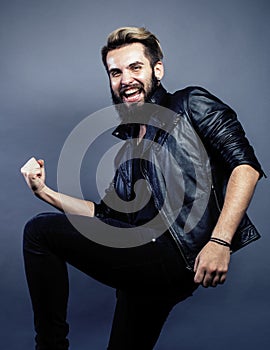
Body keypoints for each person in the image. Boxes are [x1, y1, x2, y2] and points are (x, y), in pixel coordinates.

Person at [21, 27, 264, 350]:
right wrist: (44, 192)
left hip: (175, 255)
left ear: (157, 70)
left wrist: (219, 241)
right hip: (144, 266)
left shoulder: (189, 103)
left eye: (135, 67)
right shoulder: (128, 149)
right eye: (116, 72)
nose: (125, 79)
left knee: (39, 231)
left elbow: (245, 167)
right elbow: (103, 214)